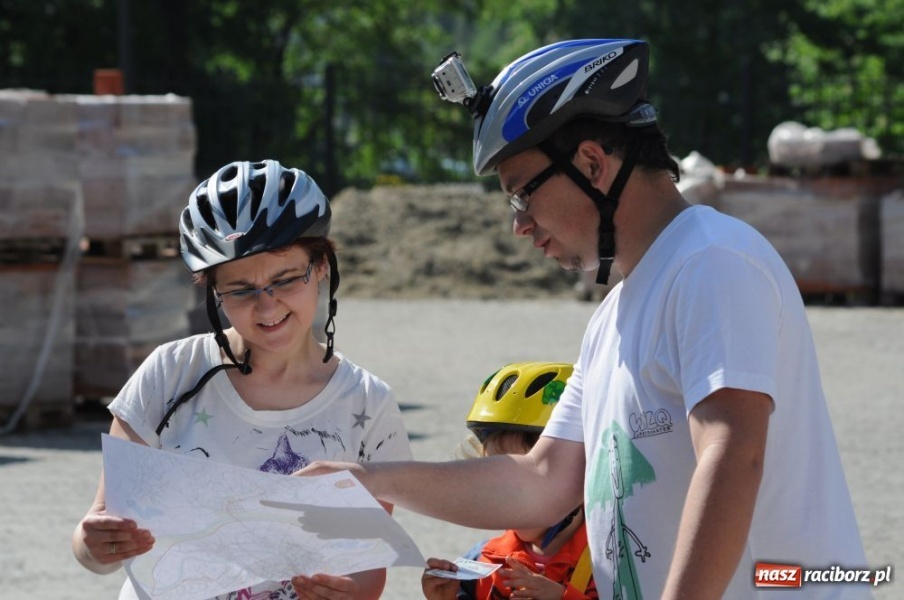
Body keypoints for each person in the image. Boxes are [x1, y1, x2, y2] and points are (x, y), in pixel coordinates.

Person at [298, 39, 871, 600]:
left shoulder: (710, 262)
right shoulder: (616, 313)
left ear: (592, 163)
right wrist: (370, 479)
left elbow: (732, 457)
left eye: (522, 195)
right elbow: (540, 481)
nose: (519, 225)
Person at [72, 160, 413, 600]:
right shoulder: (168, 374)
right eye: (239, 290)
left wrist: (348, 592)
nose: (267, 307)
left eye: (285, 279)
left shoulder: (368, 405)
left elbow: (368, 568)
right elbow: (94, 538)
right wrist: (95, 544)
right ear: (212, 292)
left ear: (322, 266)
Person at [421, 362, 597, 600]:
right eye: (496, 478)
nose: (506, 495)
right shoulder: (484, 561)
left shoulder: (616, 559)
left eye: (524, 479)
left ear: (583, 473)